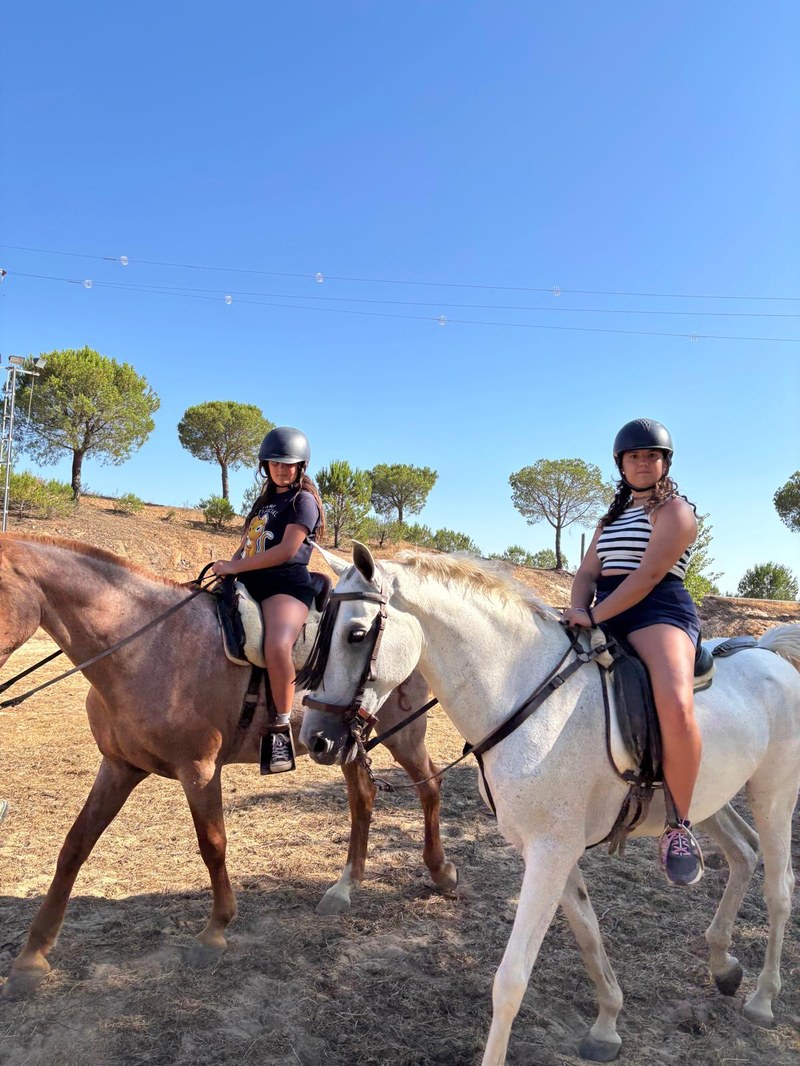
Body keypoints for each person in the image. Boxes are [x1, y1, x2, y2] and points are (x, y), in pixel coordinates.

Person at [562, 418, 704, 888]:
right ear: (620, 465)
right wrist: (578, 607)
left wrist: (595, 618)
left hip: (658, 611)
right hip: (606, 609)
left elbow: (644, 579)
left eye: (651, 456)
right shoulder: (610, 520)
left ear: (665, 464)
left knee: (676, 702)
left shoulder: (677, 512)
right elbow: (586, 575)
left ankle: (679, 825)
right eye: (633, 457)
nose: (642, 463)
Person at [212, 426, 325, 774]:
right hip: (249, 582)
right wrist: (229, 568)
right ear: (265, 465)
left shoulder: (303, 502)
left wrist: (236, 565)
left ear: (301, 467)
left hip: (285, 586)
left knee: (277, 645)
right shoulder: (263, 503)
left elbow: (287, 551)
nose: (282, 469)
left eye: (289, 464)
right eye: (275, 463)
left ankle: (281, 728)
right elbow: (249, 545)